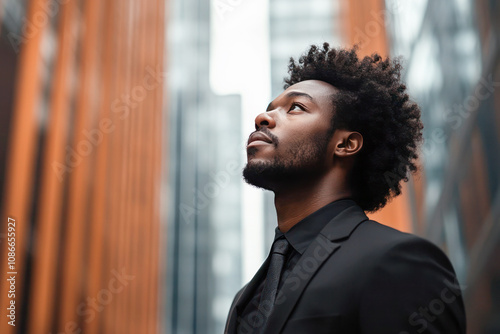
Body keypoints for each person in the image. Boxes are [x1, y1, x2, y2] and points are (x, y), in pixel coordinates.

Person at [224, 43, 466, 334]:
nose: (263, 118)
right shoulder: (248, 296)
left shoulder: (398, 261)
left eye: (296, 108)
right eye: (269, 109)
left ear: (345, 144)